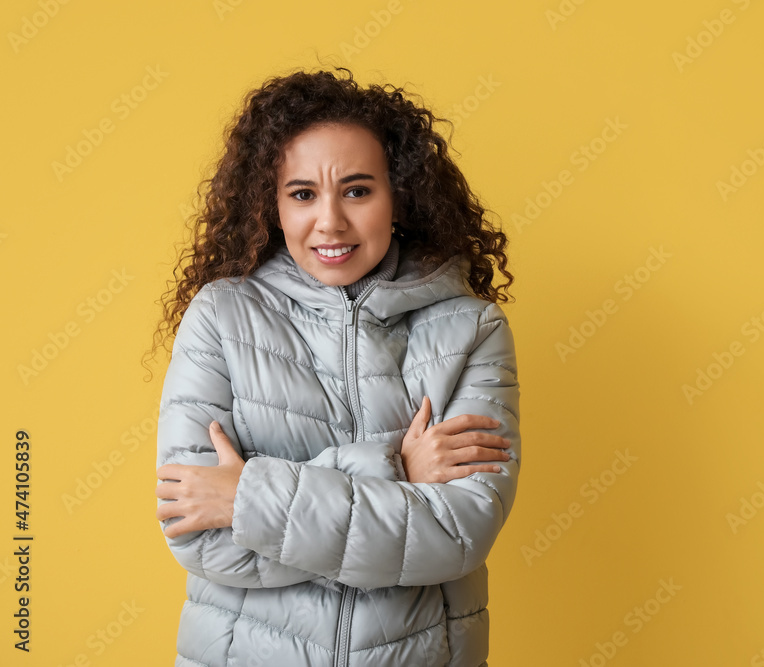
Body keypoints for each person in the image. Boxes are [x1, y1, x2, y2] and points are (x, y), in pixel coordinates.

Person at [149, 66, 520, 667]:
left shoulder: (472, 329)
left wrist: (246, 495)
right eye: (302, 194)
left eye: (356, 190)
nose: (330, 222)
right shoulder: (219, 317)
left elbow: (457, 536)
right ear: (270, 204)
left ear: (398, 194)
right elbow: (202, 536)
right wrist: (394, 467)